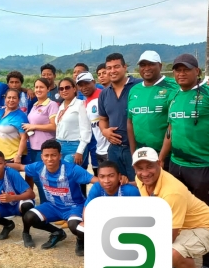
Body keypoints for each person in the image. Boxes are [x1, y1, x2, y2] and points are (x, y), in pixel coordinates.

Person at [6, 140, 99, 256]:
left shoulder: (73, 170)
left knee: (74, 226)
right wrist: (1, 164)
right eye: (46, 155)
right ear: (42, 157)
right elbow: (20, 166)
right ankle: (55, 232)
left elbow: (96, 181)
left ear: (60, 156)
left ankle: (80, 240)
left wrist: (121, 181)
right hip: (52, 206)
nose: (49, 159)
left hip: (74, 207)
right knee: (29, 216)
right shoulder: (38, 166)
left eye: (53, 155)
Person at [161, 54, 209, 268]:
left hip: (202, 166)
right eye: (177, 70)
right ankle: (179, 256)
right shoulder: (174, 97)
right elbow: (170, 132)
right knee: (177, 212)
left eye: (186, 70)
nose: (180, 74)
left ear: (197, 72)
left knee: (204, 215)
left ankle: (208, 263)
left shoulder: (206, 94)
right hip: (176, 164)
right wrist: (162, 158)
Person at [132, 147, 209, 268]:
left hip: (203, 226)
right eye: (140, 168)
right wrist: (124, 182)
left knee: (173, 253)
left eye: (149, 167)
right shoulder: (141, 179)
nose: (144, 173)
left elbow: (170, 236)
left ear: (160, 163)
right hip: (181, 225)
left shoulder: (172, 192)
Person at [127, 51, 178, 171]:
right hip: (142, 155)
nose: (146, 68)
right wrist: (133, 153)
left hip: (169, 157)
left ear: (160, 66)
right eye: (143, 65)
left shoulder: (174, 86)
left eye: (151, 64)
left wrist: (161, 158)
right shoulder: (134, 90)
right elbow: (130, 122)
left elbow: (175, 124)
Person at [98, 53, 143, 182]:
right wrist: (105, 131)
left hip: (136, 148)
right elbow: (103, 119)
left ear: (125, 67)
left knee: (140, 185)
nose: (112, 71)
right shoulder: (104, 93)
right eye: (109, 68)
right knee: (117, 185)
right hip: (114, 150)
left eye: (116, 67)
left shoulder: (139, 86)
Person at [0, 150, 36, 240]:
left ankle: (26, 233)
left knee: (27, 205)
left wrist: (13, 198)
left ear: (4, 164)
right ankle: (8, 224)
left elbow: (31, 194)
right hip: (1, 205)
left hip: (17, 204)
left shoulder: (11, 173)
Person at [23, 78, 59, 203]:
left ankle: (49, 205)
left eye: (42, 87)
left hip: (44, 148)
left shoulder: (52, 105)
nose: (38, 90)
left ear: (48, 89)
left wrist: (34, 126)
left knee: (43, 179)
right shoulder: (34, 105)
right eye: (36, 87)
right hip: (33, 147)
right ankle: (45, 204)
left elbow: (54, 126)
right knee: (38, 178)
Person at [54, 78, 92, 180]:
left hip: (74, 146)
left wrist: (79, 151)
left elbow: (86, 129)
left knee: (65, 175)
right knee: (65, 179)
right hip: (60, 146)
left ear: (74, 89)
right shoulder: (61, 106)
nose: (64, 90)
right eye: (61, 89)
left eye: (67, 87)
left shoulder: (80, 104)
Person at [76, 72, 110, 167]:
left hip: (111, 149)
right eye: (81, 85)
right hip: (99, 149)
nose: (84, 87)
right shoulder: (85, 102)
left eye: (87, 83)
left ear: (94, 82)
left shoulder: (104, 95)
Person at [0, 88, 29, 164]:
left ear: (19, 100)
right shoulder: (0, 112)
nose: (11, 100)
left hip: (12, 157)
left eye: (14, 98)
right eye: (9, 97)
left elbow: (24, 137)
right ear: (5, 99)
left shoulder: (20, 116)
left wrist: (18, 155)